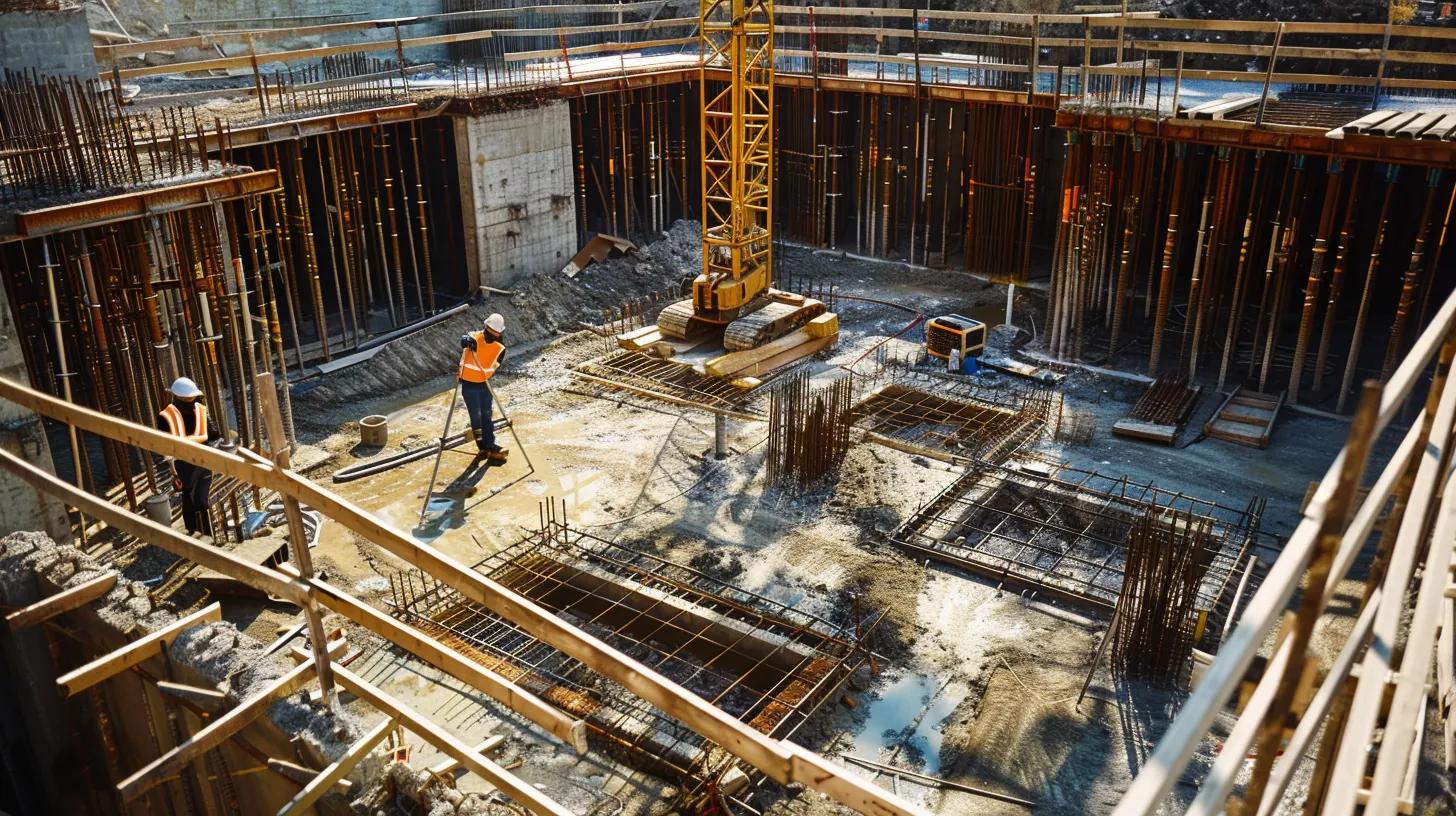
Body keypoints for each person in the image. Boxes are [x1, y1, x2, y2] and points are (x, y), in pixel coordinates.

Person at [157, 376, 220, 537]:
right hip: (204, 460)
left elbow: (166, 449)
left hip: (184, 465)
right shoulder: (201, 409)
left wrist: (173, 473)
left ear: (175, 395)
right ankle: (206, 531)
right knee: (202, 498)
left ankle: (193, 530)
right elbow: (214, 435)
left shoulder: (166, 415)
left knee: (189, 497)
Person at [459, 313, 507, 461]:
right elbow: (466, 338)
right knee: (476, 416)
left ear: (499, 334)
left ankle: (489, 444)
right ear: (485, 327)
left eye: (494, 335)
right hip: (468, 384)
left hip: (484, 384)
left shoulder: (500, 348)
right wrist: (466, 340)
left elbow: (492, 366)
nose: (490, 337)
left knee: (487, 414)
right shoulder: (474, 337)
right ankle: (482, 446)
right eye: (489, 333)